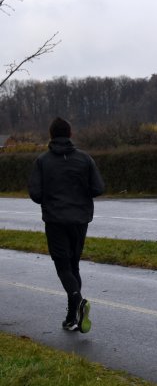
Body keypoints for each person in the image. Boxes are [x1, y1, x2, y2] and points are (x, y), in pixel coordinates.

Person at [28, 117, 104, 333]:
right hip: (80, 220)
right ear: (70, 134)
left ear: (51, 135)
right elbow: (98, 188)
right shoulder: (85, 159)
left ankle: (78, 302)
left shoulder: (42, 161)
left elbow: (35, 193)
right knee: (74, 266)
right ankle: (72, 318)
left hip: (55, 220)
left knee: (63, 267)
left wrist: (51, 198)